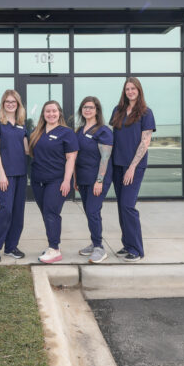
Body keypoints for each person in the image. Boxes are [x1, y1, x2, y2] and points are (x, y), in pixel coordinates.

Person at [109, 77, 155, 262]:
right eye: (127, 89)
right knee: (121, 206)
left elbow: (145, 141)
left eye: (133, 88)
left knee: (128, 206)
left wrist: (132, 167)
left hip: (134, 167)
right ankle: (127, 244)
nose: (130, 92)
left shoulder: (145, 112)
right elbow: (113, 138)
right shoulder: (118, 110)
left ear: (139, 90)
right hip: (117, 164)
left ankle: (136, 248)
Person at [28, 100, 78, 264]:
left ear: (59, 113)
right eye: (48, 111)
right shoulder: (37, 132)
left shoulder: (66, 132)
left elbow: (71, 158)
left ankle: (55, 249)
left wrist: (66, 181)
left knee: (51, 212)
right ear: (43, 114)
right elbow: (31, 153)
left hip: (57, 181)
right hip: (38, 181)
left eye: (54, 111)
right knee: (46, 214)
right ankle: (52, 246)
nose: (51, 114)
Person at [0, 90, 30, 263]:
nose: (10, 104)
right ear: (3, 104)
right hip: (6, 175)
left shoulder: (21, 124)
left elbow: (26, 149)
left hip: (21, 173)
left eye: (13, 102)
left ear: (18, 104)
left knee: (18, 212)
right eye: (7, 101)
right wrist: (2, 174)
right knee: (6, 210)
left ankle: (11, 247)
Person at [74, 97, 113, 264]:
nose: (87, 110)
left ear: (97, 110)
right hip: (82, 178)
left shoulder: (103, 131)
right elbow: (75, 157)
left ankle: (99, 248)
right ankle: (94, 242)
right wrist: (75, 179)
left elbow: (105, 158)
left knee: (92, 211)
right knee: (89, 212)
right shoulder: (79, 131)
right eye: (84, 107)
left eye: (90, 107)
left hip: (97, 179)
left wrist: (99, 181)